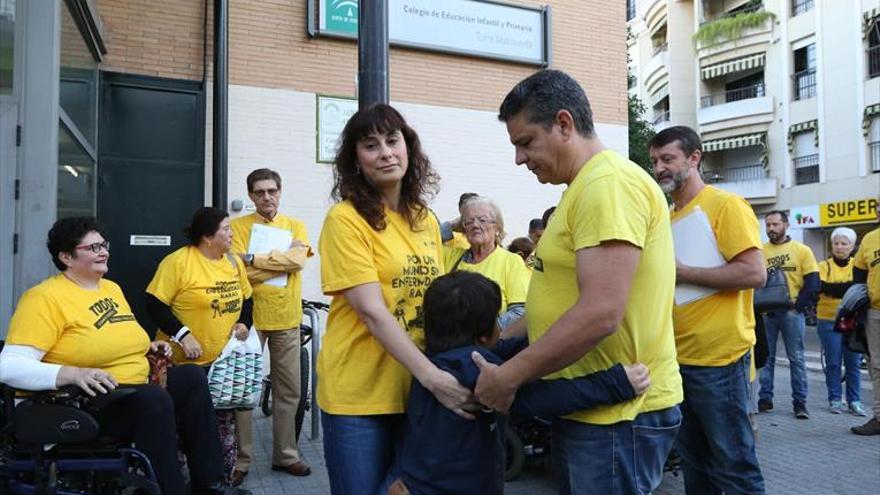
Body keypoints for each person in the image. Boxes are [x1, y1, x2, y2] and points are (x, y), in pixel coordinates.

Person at [473, 69, 683, 495]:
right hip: (593, 408)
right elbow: (554, 303)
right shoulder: (583, 187)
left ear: (564, 124)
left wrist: (509, 376)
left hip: (618, 416)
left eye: (525, 142)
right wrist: (492, 347)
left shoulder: (607, 186)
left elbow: (600, 313)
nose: (519, 158)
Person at [0, 217, 248, 495]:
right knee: (153, 400)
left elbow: (116, 338)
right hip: (83, 400)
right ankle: (170, 489)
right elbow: (8, 366)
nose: (104, 252)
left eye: (104, 245)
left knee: (190, 377)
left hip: (131, 387)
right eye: (93, 248)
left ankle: (210, 484)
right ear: (66, 256)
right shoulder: (44, 298)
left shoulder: (110, 288)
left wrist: (148, 349)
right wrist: (73, 373)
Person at [317, 103, 472, 495]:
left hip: (416, 391)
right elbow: (371, 311)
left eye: (392, 140)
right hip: (359, 396)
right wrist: (433, 377)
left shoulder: (423, 218)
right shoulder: (346, 219)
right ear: (355, 160)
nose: (385, 152)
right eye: (370, 145)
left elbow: (434, 302)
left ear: (409, 148)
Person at [381, 271, 651, 495]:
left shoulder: (434, 361)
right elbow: (542, 398)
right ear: (484, 334)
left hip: (414, 480)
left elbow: (504, 348)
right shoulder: (478, 371)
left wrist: (556, 337)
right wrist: (616, 383)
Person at [649, 126, 766, 494]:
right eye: (654, 161)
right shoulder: (666, 217)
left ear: (695, 158)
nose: (659, 169)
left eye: (668, 159)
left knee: (734, 467)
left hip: (720, 361)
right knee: (696, 468)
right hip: (677, 361)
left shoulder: (725, 205)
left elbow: (754, 272)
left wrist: (684, 272)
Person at [145, 206, 254, 479]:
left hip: (223, 365)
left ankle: (218, 481)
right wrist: (183, 334)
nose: (232, 234)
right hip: (183, 366)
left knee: (220, 429)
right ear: (207, 236)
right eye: (226, 229)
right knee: (183, 430)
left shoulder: (232, 262)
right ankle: (181, 482)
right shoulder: (178, 262)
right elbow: (154, 305)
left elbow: (248, 298)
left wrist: (244, 323)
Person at [230, 169, 313, 485]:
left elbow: (299, 262)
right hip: (247, 320)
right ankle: (241, 459)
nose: (266, 197)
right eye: (260, 192)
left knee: (289, 390)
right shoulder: (236, 227)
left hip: (286, 316)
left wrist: (253, 259)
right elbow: (238, 274)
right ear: (251, 195)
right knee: (243, 390)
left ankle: (286, 456)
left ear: (280, 192)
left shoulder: (295, 225)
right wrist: (280, 263)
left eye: (272, 191)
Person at [758, 210, 819, 419]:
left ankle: (800, 403)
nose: (771, 229)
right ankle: (765, 398)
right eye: (768, 225)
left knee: (797, 359)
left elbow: (812, 282)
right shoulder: (760, 251)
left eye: (775, 224)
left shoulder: (801, 251)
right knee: (767, 358)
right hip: (767, 314)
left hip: (792, 313)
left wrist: (799, 306)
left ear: (785, 225)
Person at [443, 195, 532, 330]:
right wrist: (451, 225)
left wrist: (482, 333)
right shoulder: (451, 256)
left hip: (488, 344)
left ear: (497, 228)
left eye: (483, 220)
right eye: (469, 221)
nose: (475, 225)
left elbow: (520, 312)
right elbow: (423, 241)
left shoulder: (511, 261)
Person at [816, 227, 866, 416]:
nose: (839, 247)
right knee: (833, 362)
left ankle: (855, 401)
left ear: (852, 246)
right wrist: (847, 289)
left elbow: (860, 287)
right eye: (836, 243)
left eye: (844, 243)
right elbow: (821, 287)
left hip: (852, 320)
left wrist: (835, 289)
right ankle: (835, 400)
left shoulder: (857, 266)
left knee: (853, 362)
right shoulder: (823, 266)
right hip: (827, 319)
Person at [851, 199, 880, 435]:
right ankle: (879, 418)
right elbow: (859, 275)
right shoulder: (869, 239)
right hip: (876, 313)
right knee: (877, 367)